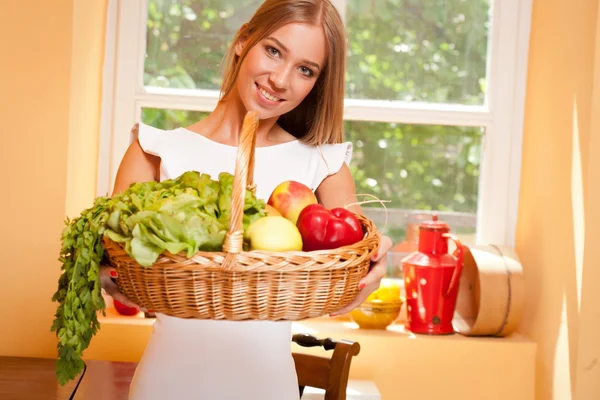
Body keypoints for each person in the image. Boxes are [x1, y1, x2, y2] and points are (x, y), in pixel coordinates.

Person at [100, 0, 392, 398]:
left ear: (316, 83)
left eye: (305, 70)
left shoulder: (323, 164)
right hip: (166, 385)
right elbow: (116, 271)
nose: (281, 79)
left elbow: (354, 267)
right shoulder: (155, 150)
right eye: (273, 51)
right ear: (242, 41)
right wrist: (105, 267)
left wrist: (375, 262)